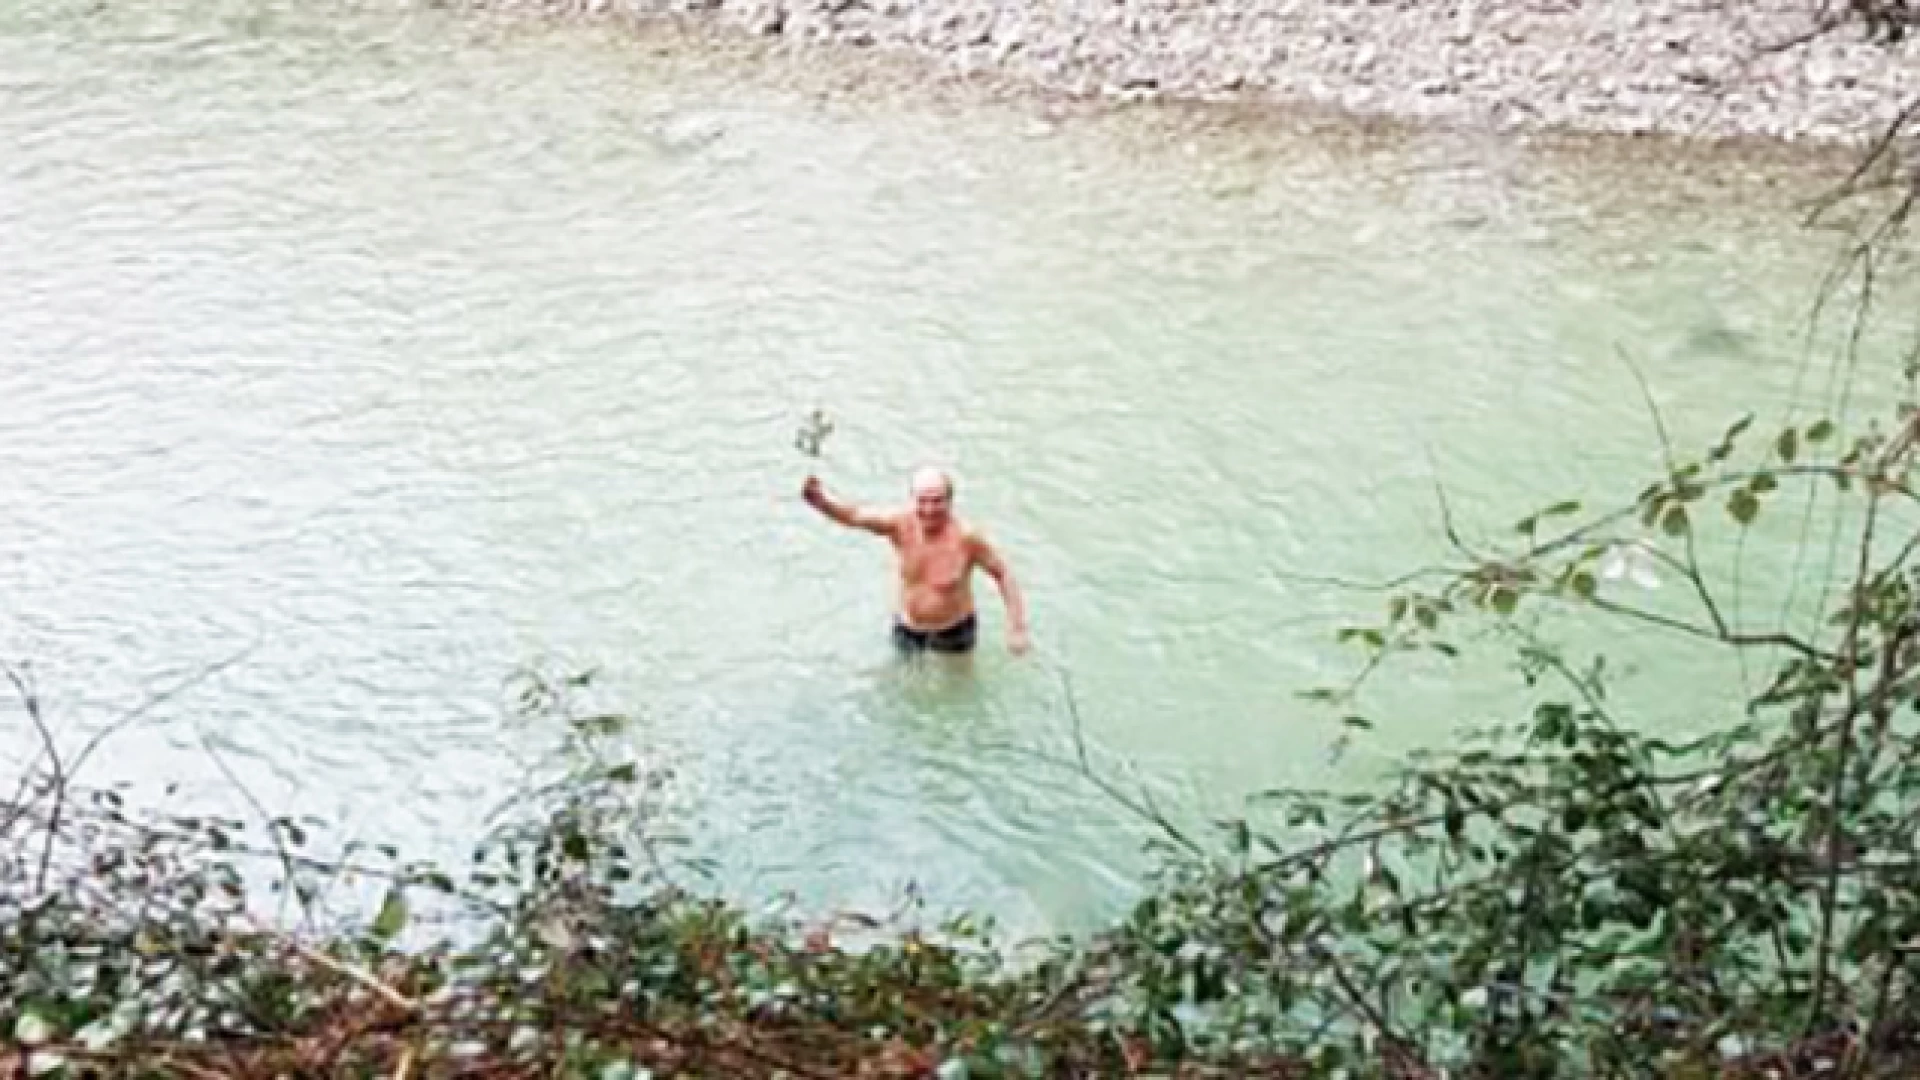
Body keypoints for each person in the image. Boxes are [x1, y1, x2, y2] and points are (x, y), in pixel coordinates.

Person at [802, 466, 1030, 656]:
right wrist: (822, 502)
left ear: (950, 501)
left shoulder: (967, 537)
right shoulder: (899, 525)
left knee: (957, 691)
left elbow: (1003, 573)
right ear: (912, 500)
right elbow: (854, 516)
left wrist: (1017, 627)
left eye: (937, 501)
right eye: (922, 501)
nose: (929, 510)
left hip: (953, 628)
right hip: (908, 626)